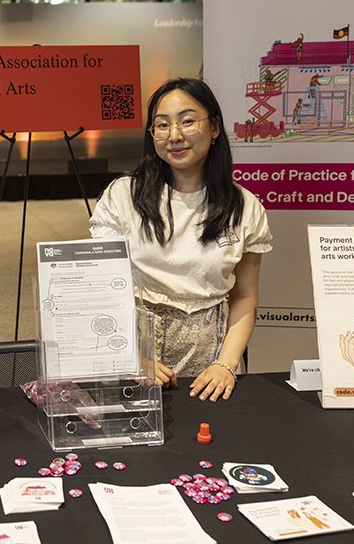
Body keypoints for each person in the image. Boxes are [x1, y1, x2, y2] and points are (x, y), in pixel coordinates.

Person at [90, 78, 272, 402]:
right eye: (162, 125)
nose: (174, 135)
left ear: (214, 127)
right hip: (133, 351)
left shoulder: (244, 207)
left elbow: (245, 297)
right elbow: (100, 289)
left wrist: (226, 365)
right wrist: (131, 357)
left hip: (212, 358)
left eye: (187, 121)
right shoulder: (122, 197)